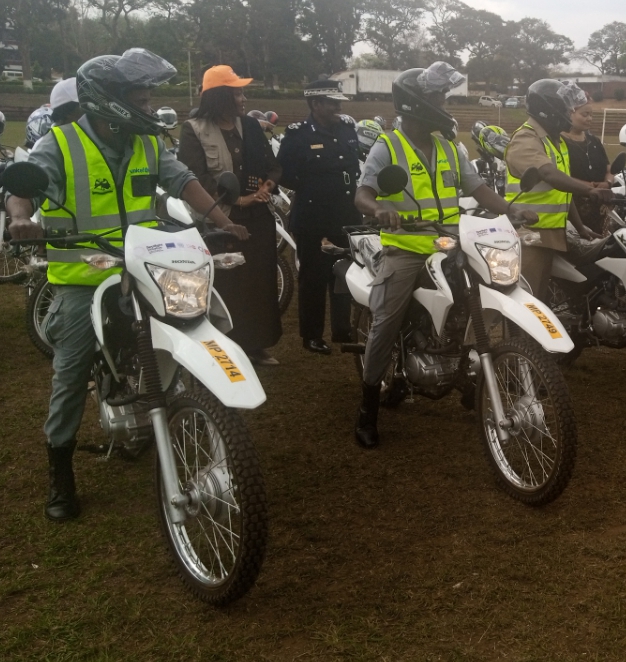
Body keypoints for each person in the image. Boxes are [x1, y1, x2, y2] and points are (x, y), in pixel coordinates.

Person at [6, 49, 247, 522]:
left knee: (195, 320)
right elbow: (24, 188)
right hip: (82, 275)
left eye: (149, 93)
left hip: (144, 264)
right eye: (140, 95)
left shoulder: (149, 142)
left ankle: (198, 419)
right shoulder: (60, 142)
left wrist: (224, 220)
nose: (148, 102)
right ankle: (60, 470)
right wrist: (19, 219)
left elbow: (182, 182)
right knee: (71, 371)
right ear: (108, 99)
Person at [352, 62, 537, 448]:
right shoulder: (387, 146)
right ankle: (369, 405)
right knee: (385, 322)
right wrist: (379, 210)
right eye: (438, 96)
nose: (444, 102)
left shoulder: (450, 148)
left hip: (452, 243)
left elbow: (479, 188)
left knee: (487, 294)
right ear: (416, 102)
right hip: (405, 247)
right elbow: (363, 194)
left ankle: (470, 375)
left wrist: (510, 209)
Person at [179, 65, 283, 365]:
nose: (243, 98)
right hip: (220, 221)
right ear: (220, 96)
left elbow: (272, 165)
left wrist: (266, 186)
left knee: (259, 281)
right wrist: (239, 198)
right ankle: (227, 347)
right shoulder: (193, 129)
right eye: (237, 92)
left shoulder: (249, 126)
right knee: (228, 285)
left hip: (257, 218)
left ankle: (256, 344)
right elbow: (195, 177)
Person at [504, 79, 610, 298]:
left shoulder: (556, 142)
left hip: (552, 233)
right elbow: (548, 174)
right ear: (548, 109)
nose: (569, 112)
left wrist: (580, 227)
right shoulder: (526, 138)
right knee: (527, 301)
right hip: (529, 233)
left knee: (543, 298)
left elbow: (561, 191)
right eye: (566, 107)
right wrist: (589, 191)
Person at [278, 80, 361, 355]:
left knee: (346, 274)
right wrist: (315, 185)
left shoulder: (348, 129)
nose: (339, 107)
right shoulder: (298, 135)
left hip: (347, 214)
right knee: (313, 278)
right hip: (313, 217)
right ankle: (312, 335)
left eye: (339, 102)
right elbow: (285, 173)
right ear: (315, 104)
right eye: (332, 102)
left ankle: (342, 329)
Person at [561, 90, 612, 236]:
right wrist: (589, 187)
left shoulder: (594, 141)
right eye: (585, 115)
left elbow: (609, 169)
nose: (590, 118)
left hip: (600, 212)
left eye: (591, 115)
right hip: (573, 212)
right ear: (570, 113)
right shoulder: (559, 142)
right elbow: (559, 175)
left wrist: (607, 183)